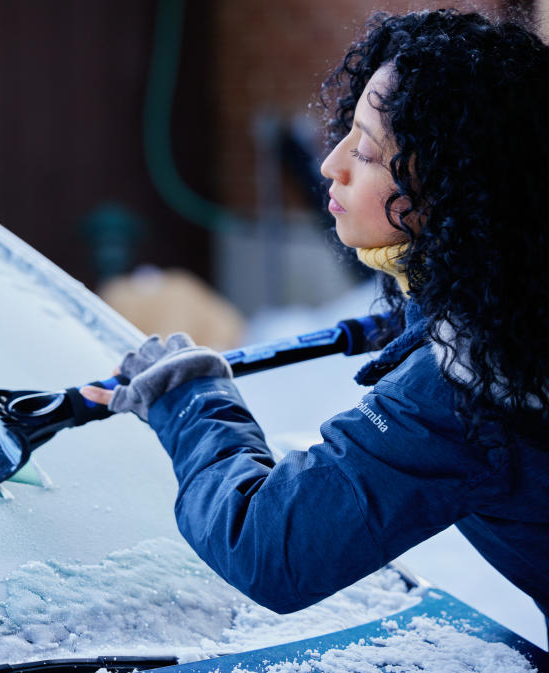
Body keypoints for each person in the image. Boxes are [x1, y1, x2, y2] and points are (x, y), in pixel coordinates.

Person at [80, 9, 549, 630]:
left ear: (461, 190)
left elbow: (267, 546)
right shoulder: (521, 308)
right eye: (346, 133)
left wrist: (188, 398)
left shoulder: (466, 390)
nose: (332, 164)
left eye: (369, 151)